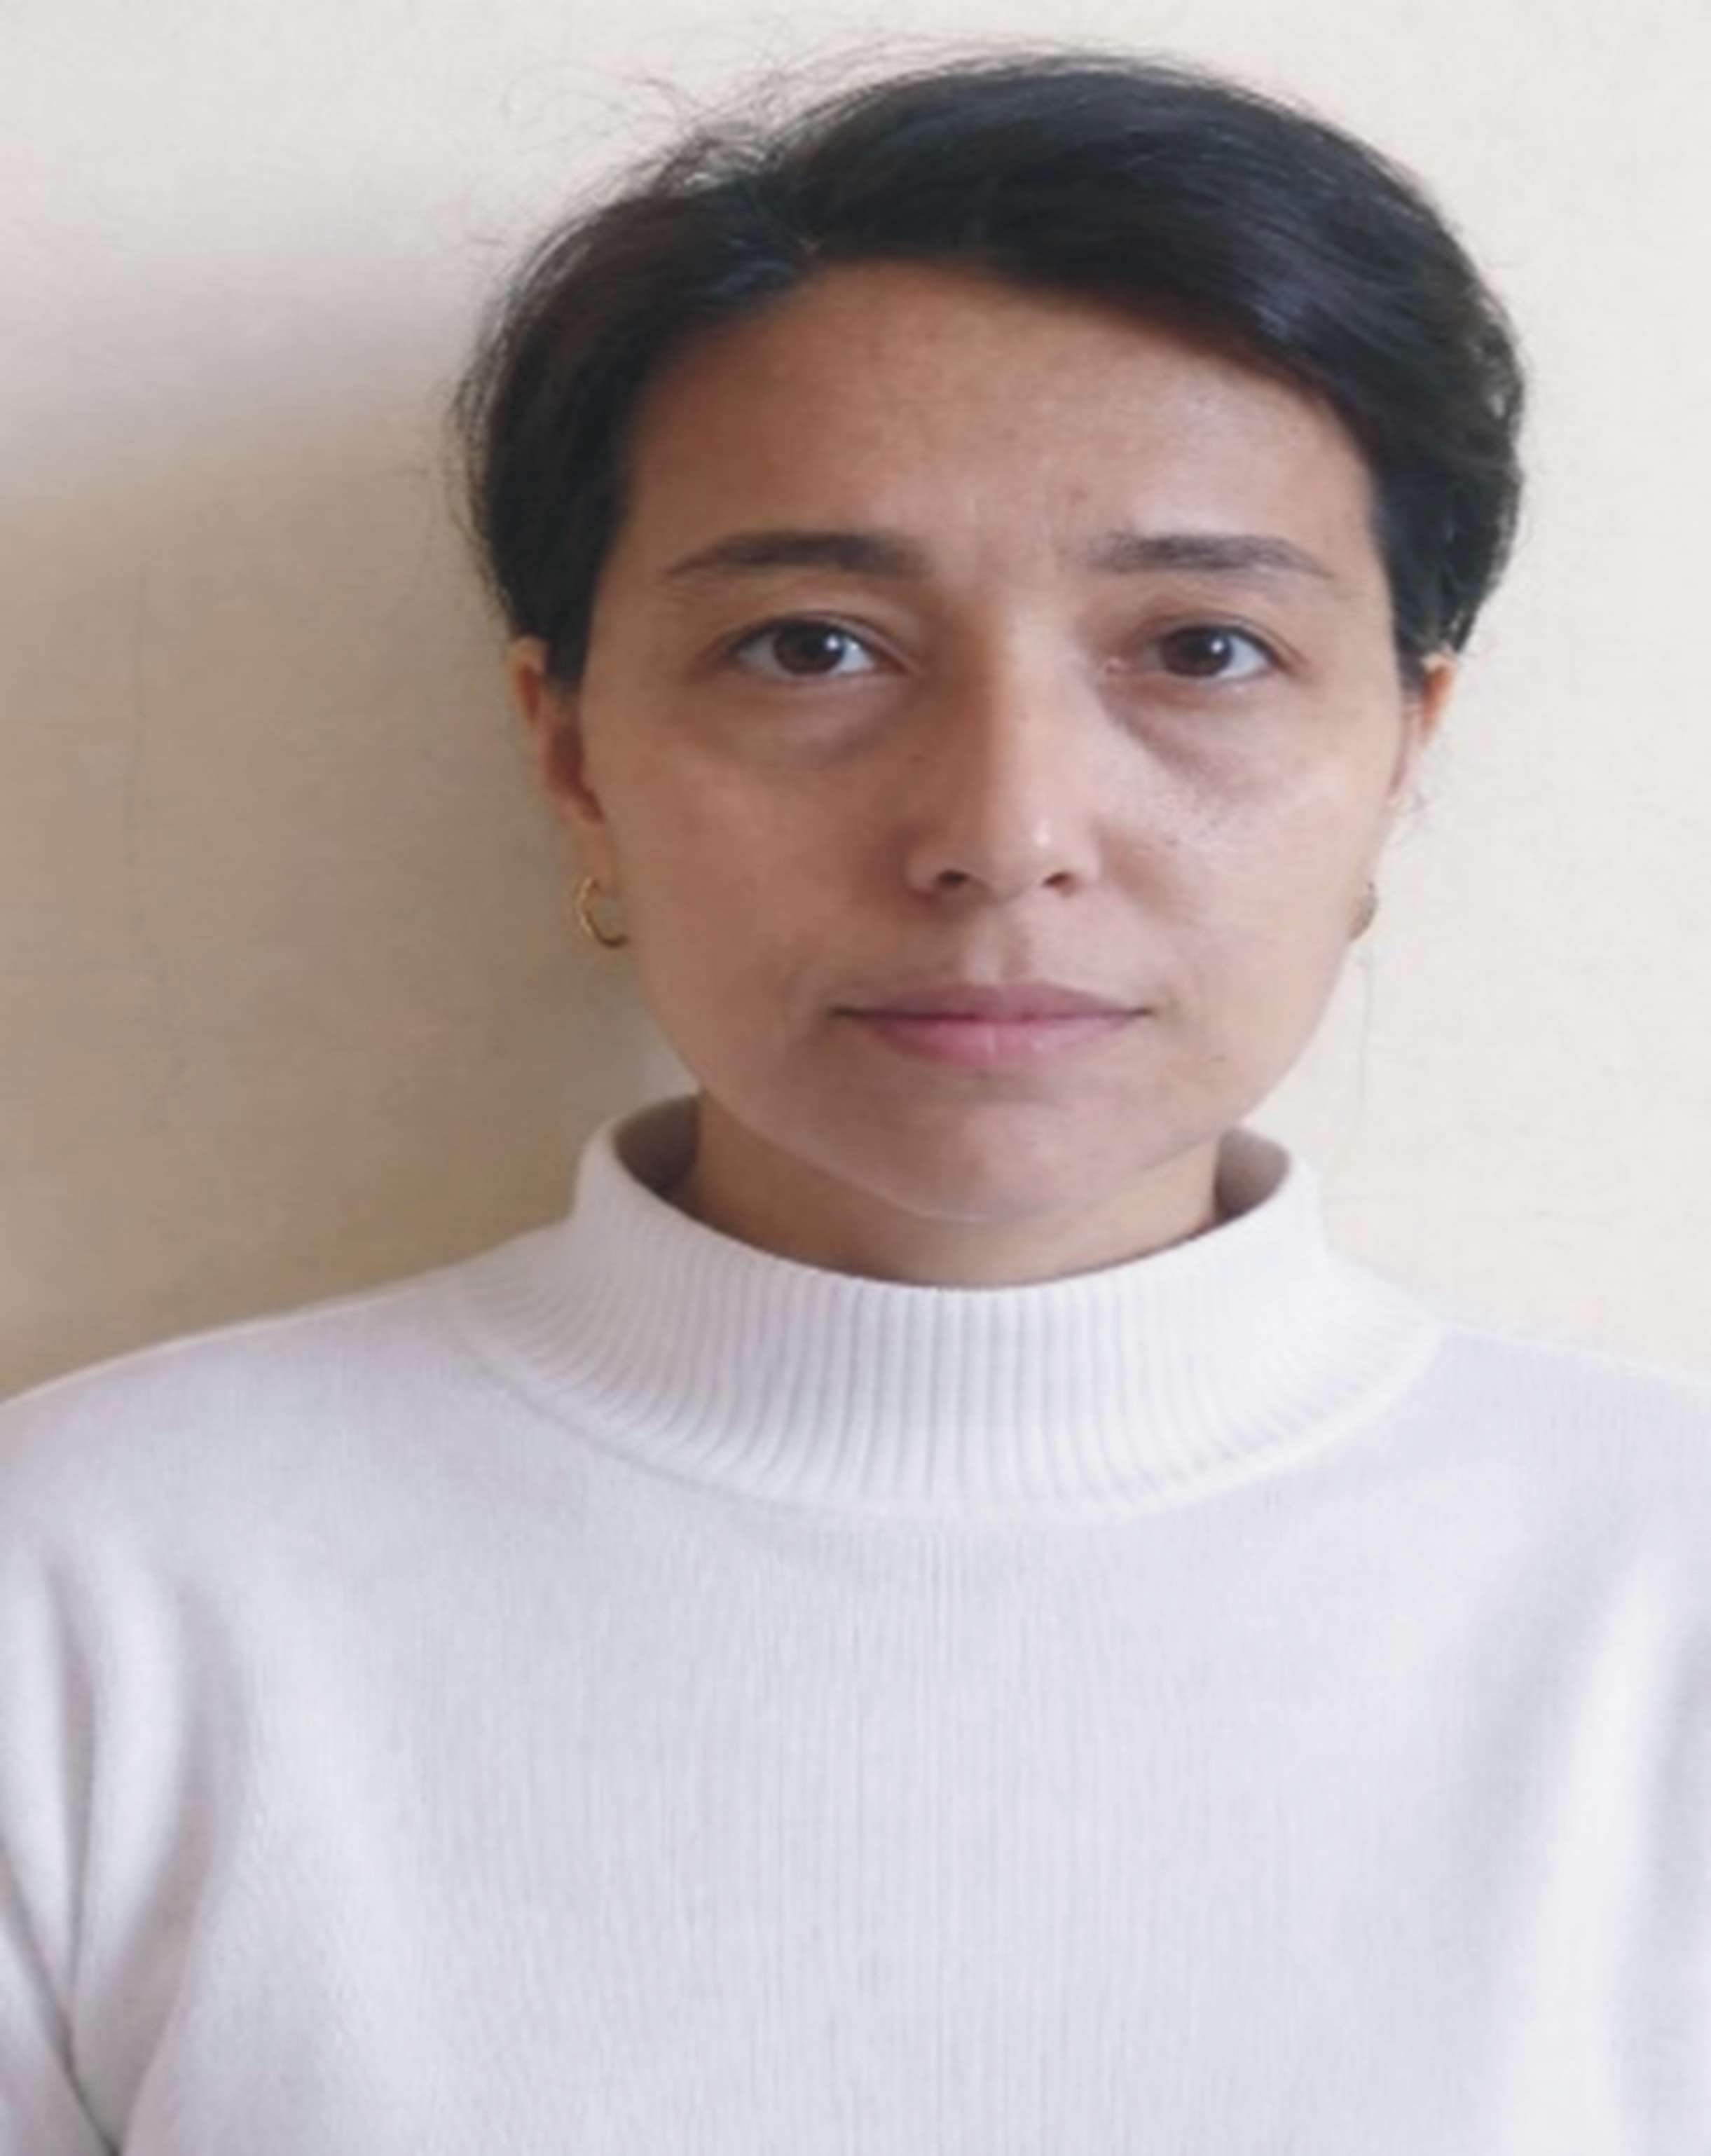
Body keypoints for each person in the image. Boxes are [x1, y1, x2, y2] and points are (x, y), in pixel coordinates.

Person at [3, 47, 1708, 2156]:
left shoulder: (1661, 1592)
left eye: (1201, 650)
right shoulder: (93, 1597)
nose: (1003, 833)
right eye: (813, 647)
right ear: (570, 753)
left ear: (1401, 751)